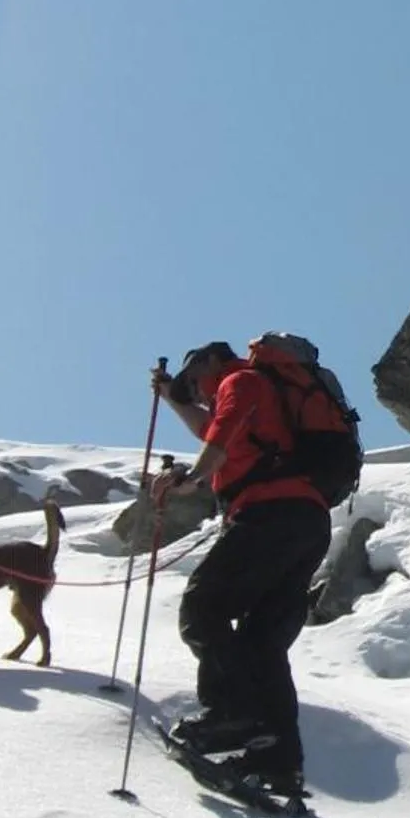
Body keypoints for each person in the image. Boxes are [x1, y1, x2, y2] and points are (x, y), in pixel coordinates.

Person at [151, 338, 335, 790]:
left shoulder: (240, 380)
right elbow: (212, 427)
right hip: (306, 521)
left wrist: (193, 480)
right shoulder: (263, 394)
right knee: (262, 643)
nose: (195, 390)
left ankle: (231, 714)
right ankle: (279, 763)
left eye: (193, 378)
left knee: (204, 606)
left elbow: (221, 431)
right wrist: (172, 399)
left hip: (268, 513)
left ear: (212, 360)